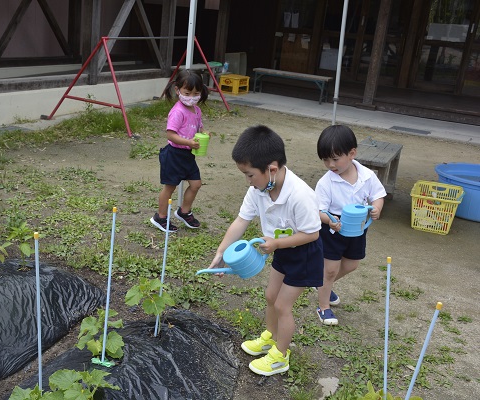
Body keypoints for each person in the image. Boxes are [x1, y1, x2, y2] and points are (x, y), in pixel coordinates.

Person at [207, 125, 323, 376]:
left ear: (271, 168)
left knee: (283, 305)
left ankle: (281, 356)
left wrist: (277, 244)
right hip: (282, 248)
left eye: (249, 175)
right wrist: (220, 252)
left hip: (304, 253)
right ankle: (271, 337)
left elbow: (312, 234)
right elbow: (240, 221)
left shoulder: (300, 195)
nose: (247, 181)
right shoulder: (258, 190)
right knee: (271, 296)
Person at [315, 125, 386, 326]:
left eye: (335, 159)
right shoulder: (326, 183)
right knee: (330, 270)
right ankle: (323, 307)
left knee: (352, 264)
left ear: (352, 153)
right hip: (333, 228)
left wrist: (377, 208)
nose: (330, 164)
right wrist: (330, 220)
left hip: (358, 228)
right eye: (325, 159)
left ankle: (322, 286)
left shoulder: (367, 175)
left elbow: (379, 195)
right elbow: (318, 211)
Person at [150, 69, 209, 233]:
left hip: (188, 155)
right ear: (178, 90)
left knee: (196, 184)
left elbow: (198, 127)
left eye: (196, 93)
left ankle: (184, 211)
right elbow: (171, 134)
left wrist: (204, 134)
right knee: (169, 188)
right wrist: (189, 142)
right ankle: (160, 217)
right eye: (187, 93)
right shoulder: (177, 112)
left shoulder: (196, 110)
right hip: (174, 155)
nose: (192, 97)